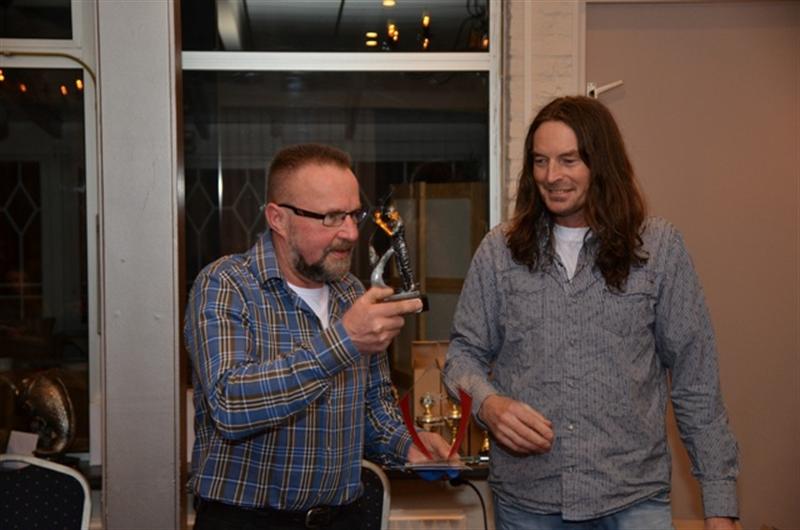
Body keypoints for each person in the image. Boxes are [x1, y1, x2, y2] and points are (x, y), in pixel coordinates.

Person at [443, 96, 739, 530]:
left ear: (602, 164)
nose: (551, 176)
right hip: (529, 503)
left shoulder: (658, 249)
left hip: (633, 501)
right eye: (540, 161)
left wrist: (719, 505)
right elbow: (462, 356)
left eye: (569, 160)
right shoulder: (499, 252)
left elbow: (697, 382)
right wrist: (489, 405)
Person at [185, 143, 451, 530]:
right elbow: (230, 404)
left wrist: (411, 446)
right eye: (330, 217)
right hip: (246, 522)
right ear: (278, 218)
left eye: (354, 215)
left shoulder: (351, 293)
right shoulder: (226, 284)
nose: (350, 233)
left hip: (343, 518)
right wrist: (343, 341)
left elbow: (374, 409)